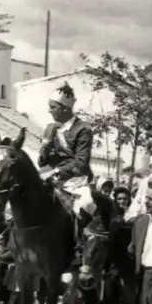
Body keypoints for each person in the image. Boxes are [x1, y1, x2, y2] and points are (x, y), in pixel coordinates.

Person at [37, 81, 95, 220]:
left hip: (74, 180)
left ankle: (81, 234)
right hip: (48, 178)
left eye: (53, 107)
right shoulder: (50, 128)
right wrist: (44, 150)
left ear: (64, 109)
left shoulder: (82, 129)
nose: (49, 111)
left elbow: (81, 162)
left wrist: (56, 172)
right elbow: (42, 162)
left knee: (84, 207)